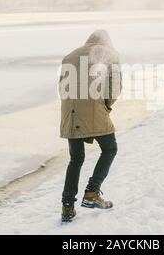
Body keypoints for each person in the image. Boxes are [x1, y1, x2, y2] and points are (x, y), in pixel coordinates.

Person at [58, 29, 121, 223]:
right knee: (110, 149)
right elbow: (115, 88)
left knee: (76, 159)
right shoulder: (110, 55)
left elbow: (62, 88)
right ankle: (92, 192)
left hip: (71, 114)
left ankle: (67, 207)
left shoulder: (69, 56)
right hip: (95, 110)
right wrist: (106, 107)